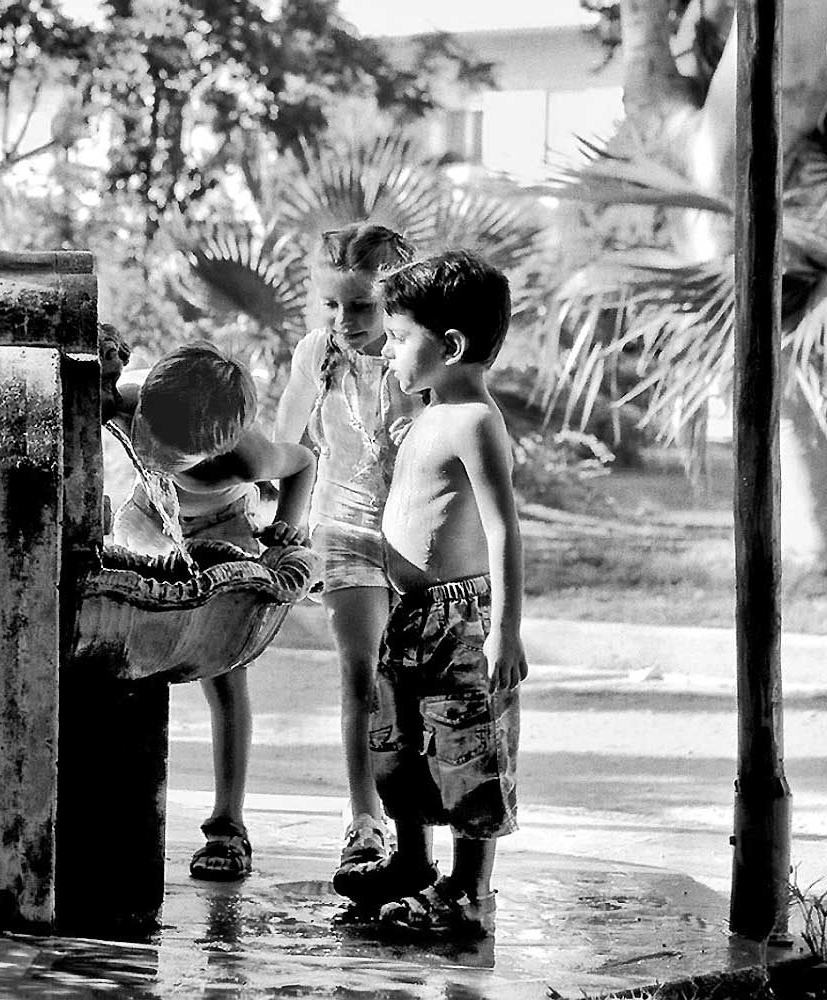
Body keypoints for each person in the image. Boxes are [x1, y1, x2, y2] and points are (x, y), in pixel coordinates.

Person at [336, 250, 527, 940]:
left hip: (461, 620)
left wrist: (505, 629)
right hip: (412, 614)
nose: (388, 353)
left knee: (467, 748)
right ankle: (413, 864)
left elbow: (503, 528)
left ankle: (469, 890)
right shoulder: (430, 414)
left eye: (397, 339)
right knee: (402, 744)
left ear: (449, 346)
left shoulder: (475, 420)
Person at [109, 343, 315, 881]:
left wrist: (290, 523)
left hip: (223, 527)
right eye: (145, 436)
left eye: (172, 455)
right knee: (124, 640)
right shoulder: (128, 399)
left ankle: (228, 821)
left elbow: (303, 462)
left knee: (225, 671)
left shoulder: (248, 458)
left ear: (213, 450)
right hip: (150, 518)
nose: (149, 452)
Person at [272, 223, 420, 884]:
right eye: (331, 304)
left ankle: (415, 829)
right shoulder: (317, 352)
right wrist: (277, 511)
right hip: (345, 527)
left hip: (415, 536)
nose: (344, 319)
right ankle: (364, 818)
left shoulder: (417, 356)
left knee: (410, 684)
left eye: (361, 306)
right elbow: (288, 441)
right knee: (361, 676)